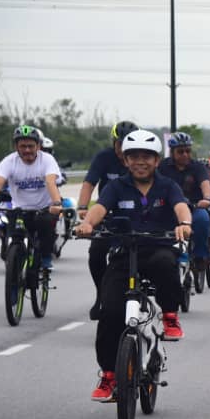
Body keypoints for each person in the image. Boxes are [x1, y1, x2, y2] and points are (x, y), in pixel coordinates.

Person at [74, 130, 193, 402]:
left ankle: (170, 316)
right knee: (110, 313)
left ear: (156, 160)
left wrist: (184, 225)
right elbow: (100, 207)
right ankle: (108, 375)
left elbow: (181, 208)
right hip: (124, 255)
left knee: (167, 264)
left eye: (147, 157)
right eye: (134, 157)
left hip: (158, 249)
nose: (141, 162)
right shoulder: (117, 186)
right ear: (126, 161)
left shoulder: (168, 186)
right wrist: (88, 224)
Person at [0, 125, 62, 270]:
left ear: (38, 146)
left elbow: (50, 181)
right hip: (19, 209)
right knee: (14, 235)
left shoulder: (47, 160)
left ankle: (46, 257)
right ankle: (16, 267)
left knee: (45, 225)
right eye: (23, 146)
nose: (27, 150)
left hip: (44, 209)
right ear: (16, 147)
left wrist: (56, 203)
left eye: (31, 146)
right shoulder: (9, 161)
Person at [77, 121, 138, 319]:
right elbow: (89, 183)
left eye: (127, 144)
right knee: (96, 252)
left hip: (135, 215)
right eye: (119, 144)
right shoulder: (104, 158)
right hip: (106, 213)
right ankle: (102, 294)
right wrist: (83, 208)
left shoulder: (140, 160)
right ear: (114, 143)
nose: (122, 150)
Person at [158, 132, 210, 271]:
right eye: (180, 151)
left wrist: (206, 198)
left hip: (194, 207)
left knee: (203, 219)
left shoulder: (198, 167)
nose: (185, 155)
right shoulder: (162, 167)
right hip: (168, 209)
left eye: (188, 151)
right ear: (172, 152)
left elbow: (205, 183)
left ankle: (200, 255)